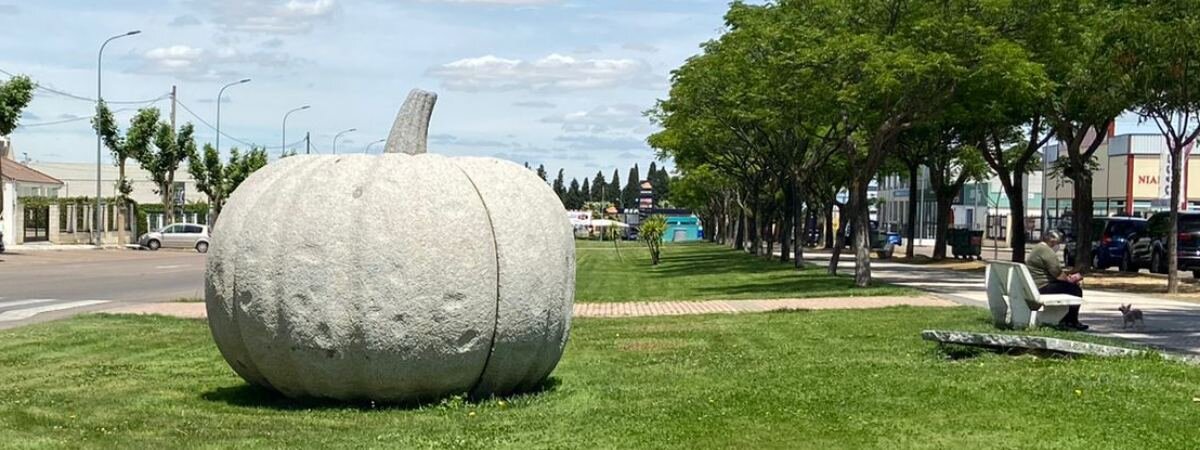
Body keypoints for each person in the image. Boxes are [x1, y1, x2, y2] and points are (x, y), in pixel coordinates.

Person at [1025, 230, 1088, 330]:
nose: (1058, 246)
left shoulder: (1037, 248)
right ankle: (1071, 321)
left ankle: (1065, 320)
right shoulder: (1047, 251)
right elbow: (1058, 275)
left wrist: (1068, 276)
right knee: (1075, 290)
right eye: (1058, 243)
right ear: (1052, 241)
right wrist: (1071, 279)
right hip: (1042, 287)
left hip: (1035, 286)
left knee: (1069, 287)